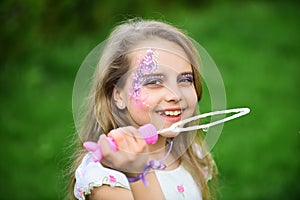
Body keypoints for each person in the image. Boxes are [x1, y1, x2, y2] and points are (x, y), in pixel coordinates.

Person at [68, 18, 217, 200]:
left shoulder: (191, 154)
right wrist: (138, 174)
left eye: (185, 79)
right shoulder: (107, 180)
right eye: (154, 81)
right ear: (119, 95)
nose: (175, 95)